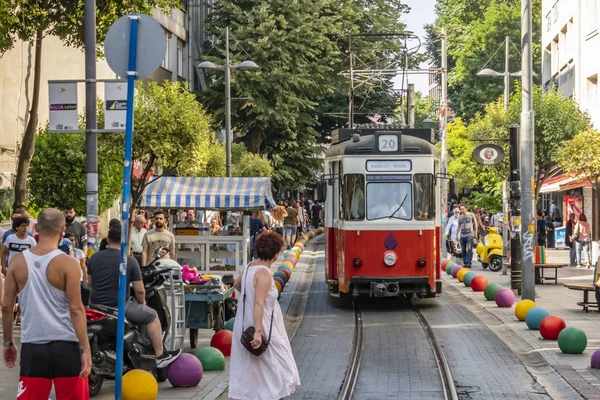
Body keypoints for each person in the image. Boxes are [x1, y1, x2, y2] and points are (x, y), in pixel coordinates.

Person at [2, 208, 91, 399]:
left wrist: (8, 342)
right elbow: (76, 309)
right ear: (62, 230)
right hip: (67, 345)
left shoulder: (17, 262)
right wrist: (85, 349)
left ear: (36, 228)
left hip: (33, 346)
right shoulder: (70, 264)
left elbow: (7, 306)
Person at [88, 224, 182, 368]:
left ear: (107, 239)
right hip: (120, 306)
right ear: (125, 240)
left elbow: (90, 283)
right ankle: (160, 355)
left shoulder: (94, 258)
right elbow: (139, 290)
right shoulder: (128, 260)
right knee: (151, 315)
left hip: (96, 306)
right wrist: (143, 303)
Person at [229, 232, 300, 399]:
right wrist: (259, 332)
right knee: (278, 369)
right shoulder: (265, 273)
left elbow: (237, 284)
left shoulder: (250, 267)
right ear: (275, 255)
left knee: (254, 370)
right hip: (264, 325)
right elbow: (259, 303)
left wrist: (251, 293)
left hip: (245, 323)